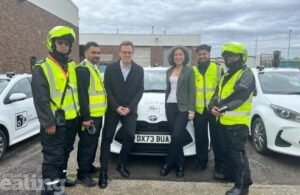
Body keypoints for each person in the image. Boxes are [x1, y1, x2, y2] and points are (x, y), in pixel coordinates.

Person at [32, 26, 79, 195]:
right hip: (54, 123)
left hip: (71, 120)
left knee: (66, 152)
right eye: (60, 43)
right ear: (52, 44)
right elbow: (40, 99)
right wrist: (48, 122)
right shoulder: (42, 67)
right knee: (53, 157)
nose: (64, 46)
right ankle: (51, 190)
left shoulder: (71, 66)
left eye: (67, 44)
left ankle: (62, 179)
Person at [209, 42, 255, 195]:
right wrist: (212, 106)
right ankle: (229, 174)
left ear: (242, 57)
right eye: (228, 56)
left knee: (237, 154)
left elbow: (239, 96)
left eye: (234, 56)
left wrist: (221, 108)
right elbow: (217, 94)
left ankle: (243, 185)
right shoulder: (227, 75)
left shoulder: (246, 74)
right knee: (226, 151)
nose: (230, 59)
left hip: (237, 123)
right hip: (223, 121)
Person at [98, 41, 144, 188]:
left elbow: (140, 91)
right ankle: (103, 172)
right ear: (119, 53)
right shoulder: (110, 69)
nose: (127, 54)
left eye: (129, 52)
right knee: (107, 139)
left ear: (132, 53)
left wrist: (129, 108)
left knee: (130, 135)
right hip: (113, 109)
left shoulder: (139, 69)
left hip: (130, 110)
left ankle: (121, 164)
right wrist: (116, 107)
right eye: (124, 52)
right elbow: (108, 90)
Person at [159, 45, 195, 178]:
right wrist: (165, 103)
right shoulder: (169, 71)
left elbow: (192, 91)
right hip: (170, 106)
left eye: (180, 54)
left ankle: (168, 164)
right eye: (175, 55)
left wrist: (191, 110)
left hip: (183, 108)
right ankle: (180, 166)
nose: (178, 57)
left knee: (175, 136)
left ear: (184, 56)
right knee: (177, 137)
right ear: (172, 57)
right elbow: (168, 89)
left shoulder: (189, 71)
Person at [75, 42, 107, 187]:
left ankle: (89, 167)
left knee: (93, 144)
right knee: (86, 146)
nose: (97, 55)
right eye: (93, 52)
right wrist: (86, 118)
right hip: (90, 118)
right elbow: (82, 95)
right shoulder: (83, 69)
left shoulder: (94, 68)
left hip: (97, 115)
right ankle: (82, 175)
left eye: (98, 53)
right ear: (85, 53)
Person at [192, 44, 224, 173]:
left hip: (214, 109)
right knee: (201, 138)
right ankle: (202, 162)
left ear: (209, 54)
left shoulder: (218, 69)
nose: (202, 56)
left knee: (217, 138)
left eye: (204, 54)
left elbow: (223, 89)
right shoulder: (193, 70)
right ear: (197, 56)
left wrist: (218, 106)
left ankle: (219, 165)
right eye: (200, 54)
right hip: (199, 110)